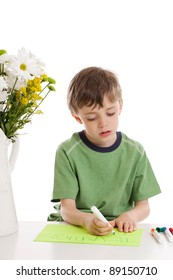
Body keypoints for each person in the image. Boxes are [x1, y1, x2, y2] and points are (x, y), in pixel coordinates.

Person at [49, 67, 161, 236]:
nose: (103, 123)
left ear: (120, 107)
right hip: (77, 226)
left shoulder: (135, 151)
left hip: (119, 229)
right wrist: (86, 220)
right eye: (92, 118)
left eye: (110, 113)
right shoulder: (67, 151)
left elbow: (143, 207)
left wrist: (130, 216)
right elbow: (67, 210)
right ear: (78, 118)